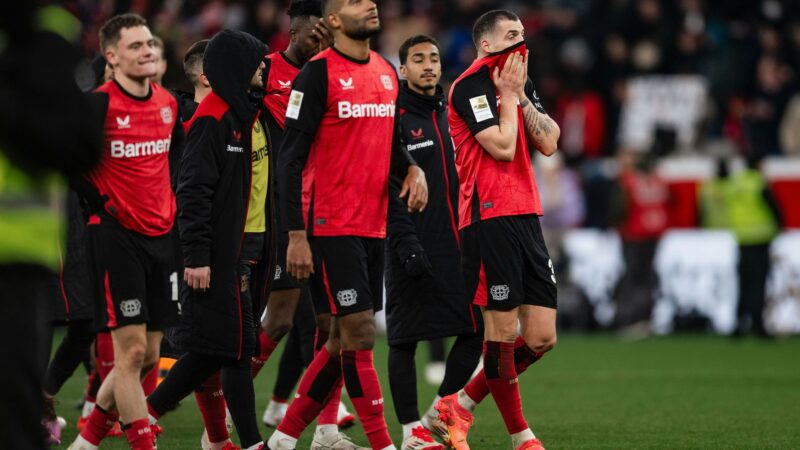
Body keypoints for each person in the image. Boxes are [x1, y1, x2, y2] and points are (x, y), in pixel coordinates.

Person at [266, 0, 428, 449]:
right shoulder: (316, 75)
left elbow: (393, 142)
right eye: (356, 1)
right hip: (329, 223)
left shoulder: (385, 72)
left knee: (339, 340)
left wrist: (413, 167)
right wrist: (295, 235)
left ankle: (283, 438)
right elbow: (289, 160)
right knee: (358, 333)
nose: (370, 4)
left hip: (373, 223)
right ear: (334, 20)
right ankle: (383, 443)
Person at [434, 9, 561, 450]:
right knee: (502, 334)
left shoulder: (516, 83)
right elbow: (504, 148)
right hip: (487, 217)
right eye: (511, 35)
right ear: (487, 44)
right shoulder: (469, 86)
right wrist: (508, 95)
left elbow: (549, 141)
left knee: (541, 337)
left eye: (523, 33)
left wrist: (519, 95)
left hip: (526, 214)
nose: (521, 41)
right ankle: (522, 438)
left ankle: (458, 404)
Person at [144, 29, 273, 450]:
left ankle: (143, 415)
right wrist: (197, 256)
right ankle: (251, 443)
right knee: (235, 349)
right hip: (215, 257)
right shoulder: (212, 119)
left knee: (221, 349)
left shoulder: (241, 114)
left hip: (236, 251)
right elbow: (193, 192)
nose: (263, 66)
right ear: (237, 66)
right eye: (256, 60)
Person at [66, 13, 183, 450]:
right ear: (112, 57)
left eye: (149, 43)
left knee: (150, 356)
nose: (147, 51)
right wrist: (101, 203)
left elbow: (175, 159)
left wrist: (169, 204)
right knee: (130, 353)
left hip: (162, 237)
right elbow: (69, 163)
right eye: (135, 46)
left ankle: (87, 440)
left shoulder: (168, 103)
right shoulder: (96, 106)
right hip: (116, 238)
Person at [0, 3, 102, 448]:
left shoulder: (46, 35)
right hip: (23, 251)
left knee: (14, 408)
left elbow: (81, 145)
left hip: (18, 254)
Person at [258, 0, 359, 441]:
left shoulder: (335, 72)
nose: (319, 39)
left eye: (325, 32)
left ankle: (325, 426)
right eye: (312, 32)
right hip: (282, 210)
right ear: (294, 32)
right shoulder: (265, 71)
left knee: (330, 323)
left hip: (332, 206)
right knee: (281, 319)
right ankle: (222, 399)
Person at [385, 34, 483, 450]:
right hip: (407, 242)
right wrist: (405, 242)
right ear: (403, 69)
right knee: (404, 340)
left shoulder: (450, 112)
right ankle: (411, 431)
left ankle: (438, 412)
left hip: (456, 245)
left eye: (434, 58)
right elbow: (387, 185)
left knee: (475, 330)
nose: (428, 65)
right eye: (418, 59)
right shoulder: (393, 118)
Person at [699, 157, 782, 337]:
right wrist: (780, 226)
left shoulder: (734, 183)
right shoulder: (758, 182)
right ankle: (758, 323)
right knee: (758, 283)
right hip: (760, 238)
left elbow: (718, 189)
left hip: (741, 238)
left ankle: (739, 323)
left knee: (743, 282)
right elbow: (774, 207)